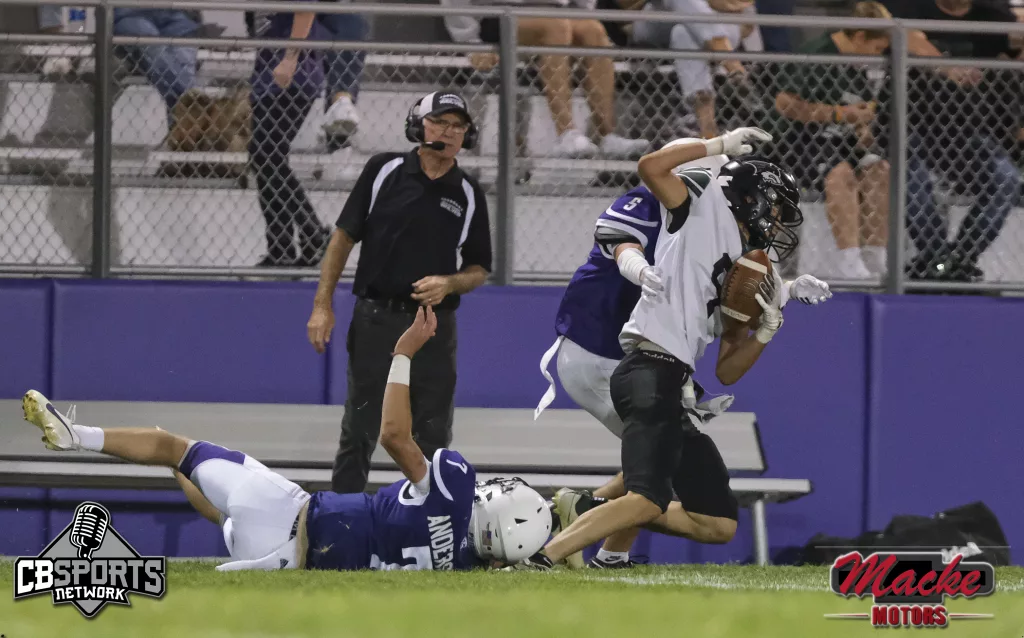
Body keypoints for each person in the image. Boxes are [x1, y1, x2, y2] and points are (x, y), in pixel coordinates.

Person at [20, 307, 552, 572]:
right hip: (283, 562)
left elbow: (394, 435)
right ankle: (182, 471)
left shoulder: (455, 487)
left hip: (290, 513)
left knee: (171, 445)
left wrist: (404, 352)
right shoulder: (469, 567)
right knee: (221, 511)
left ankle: (77, 435)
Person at [516, 129, 808, 570]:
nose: (778, 222)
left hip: (670, 378)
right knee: (649, 493)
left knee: (717, 523)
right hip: (646, 367)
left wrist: (769, 324)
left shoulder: (742, 260)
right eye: (776, 209)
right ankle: (542, 557)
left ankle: (595, 527)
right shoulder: (700, 208)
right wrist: (719, 144)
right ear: (751, 198)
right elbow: (651, 168)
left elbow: (727, 370)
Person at [307, 91, 492, 494]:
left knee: (433, 434)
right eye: (440, 122)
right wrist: (322, 305)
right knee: (359, 427)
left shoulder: (469, 192)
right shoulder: (383, 170)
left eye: (458, 126)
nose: (449, 132)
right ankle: (343, 517)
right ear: (417, 125)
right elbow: (342, 237)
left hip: (433, 326)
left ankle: (427, 519)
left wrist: (449, 283)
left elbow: (479, 268)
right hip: (377, 318)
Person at [884, 0, 1023, 281]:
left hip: (970, 130)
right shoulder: (915, 8)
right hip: (913, 123)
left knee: (1006, 179)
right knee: (911, 176)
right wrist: (947, 67)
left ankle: (959, 259)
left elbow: (1016, 36)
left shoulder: (991, 14)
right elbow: (903, 34)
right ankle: (936, 257)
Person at [441, 0, 651, 158]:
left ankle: (607, 135)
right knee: (555, 26)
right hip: (498, 13)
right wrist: (471, 42)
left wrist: (582, 11)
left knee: (593, 30)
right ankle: (566, 133)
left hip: (555, 11)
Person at [773, 1, 892, 279]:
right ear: (860, 37)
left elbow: (859, 112)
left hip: (842, 142)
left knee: (880, 170)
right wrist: (838, 114)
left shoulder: (855, 67)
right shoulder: (819, 53)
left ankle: (874, 258)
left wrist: (862, 126)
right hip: (800, 140)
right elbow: (785, 103)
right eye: (876, 48)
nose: (877, 56)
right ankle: (849, 263)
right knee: (841, 174)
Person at [250, 4, 332, 267]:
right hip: (268, 73)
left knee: (265, 155)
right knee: (267, 158)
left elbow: (305, 9)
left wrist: (290, 58)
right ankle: (281, 247)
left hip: (292, 74)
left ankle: (312, 232)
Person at [631, 0, 761, 140]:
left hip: (722, 22)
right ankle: (734, 68)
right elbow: (625, 4)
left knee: (682, 33)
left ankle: (706, 130)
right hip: (656, 19)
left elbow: (738, 4)